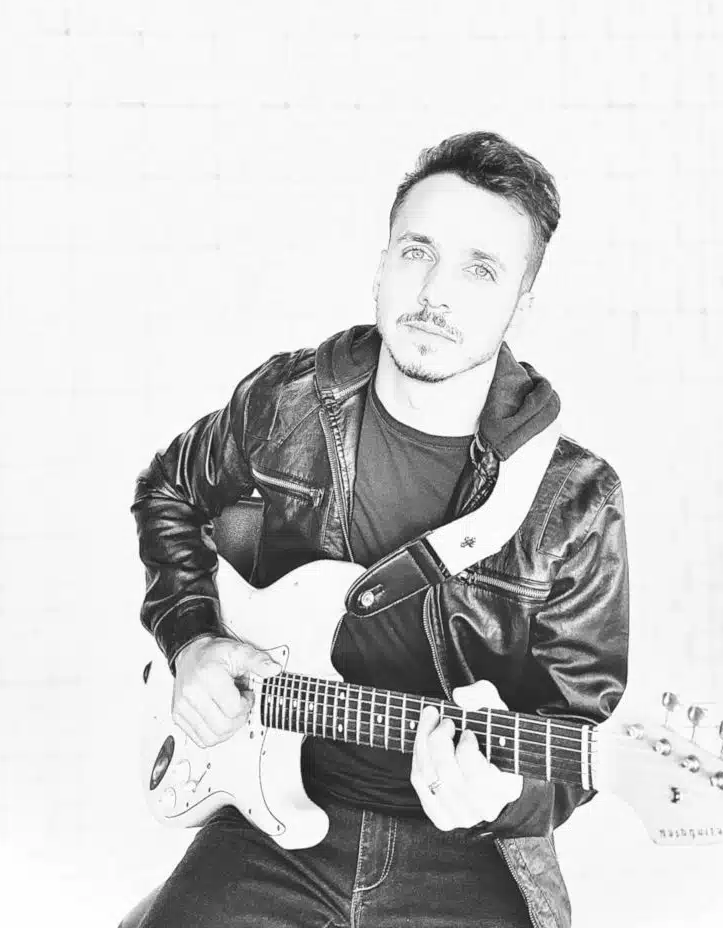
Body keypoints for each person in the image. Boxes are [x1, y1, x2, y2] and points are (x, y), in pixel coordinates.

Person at [128, 130, 630, 928]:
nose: (435, 292)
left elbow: (576, 722)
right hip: (268, 817)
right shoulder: (288, 402)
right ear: (381, 264)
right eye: (416, 252)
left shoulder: (575, 499)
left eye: (480, 269)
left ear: (522, 304)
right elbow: (168, 491)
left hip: (469, 852)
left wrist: (506, 792)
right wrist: (191, 642)